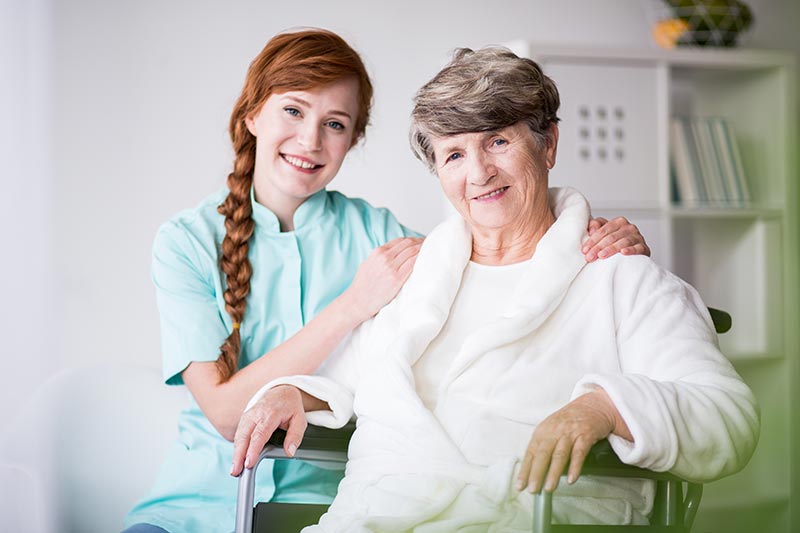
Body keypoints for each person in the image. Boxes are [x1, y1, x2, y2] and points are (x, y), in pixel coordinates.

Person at [123, 30, 650, 533]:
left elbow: (495, 247)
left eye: (335, 123)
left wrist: (591, 235)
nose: (310, 139)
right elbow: (224, 413)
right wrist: (354, 303)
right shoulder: (184, 242)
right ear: (252, 113)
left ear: (354, 139)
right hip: (195, 507)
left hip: (329, 503)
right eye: (292, 110)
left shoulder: (380, 234)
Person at [232, 46, 760, 531]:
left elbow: (728, 416)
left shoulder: (620, 275)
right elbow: (342, 378)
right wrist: (289, 392)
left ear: (548, 143)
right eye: (454, 155)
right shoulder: (416, 279)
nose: (479, 172)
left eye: (499, 141)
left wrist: (605, 408)